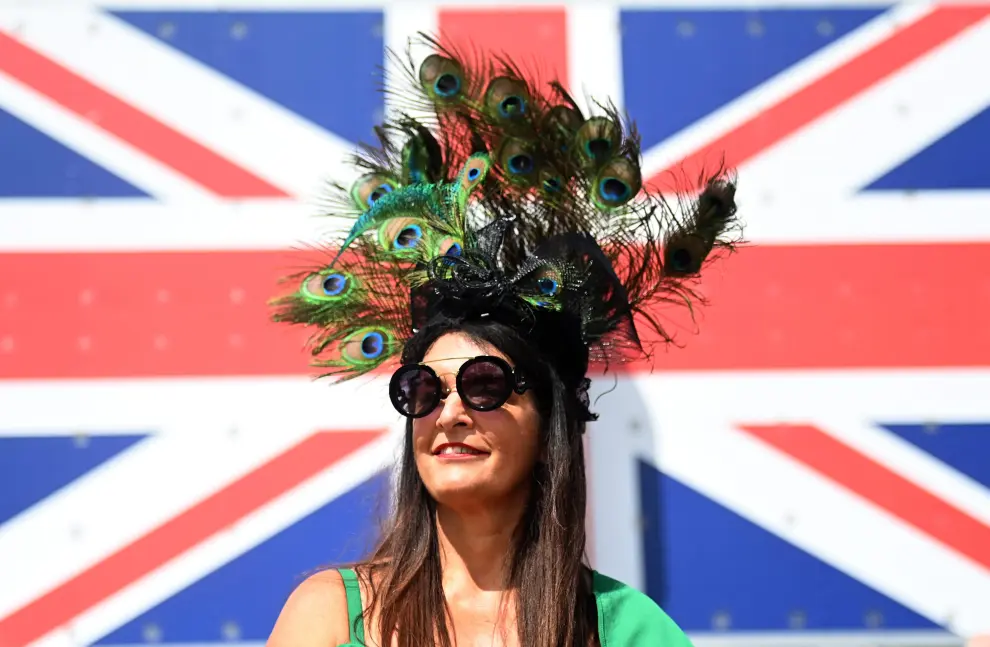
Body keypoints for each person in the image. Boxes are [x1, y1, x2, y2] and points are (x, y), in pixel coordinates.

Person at [266, 35, 741, 647]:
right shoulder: (330, 615)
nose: (451, 413)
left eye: (484, 385)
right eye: (422, 390)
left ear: (549, 425)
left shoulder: (627, 629)